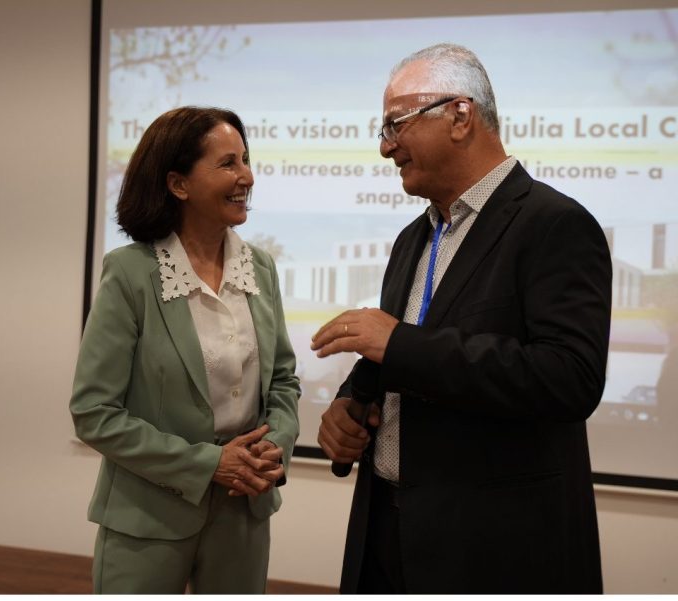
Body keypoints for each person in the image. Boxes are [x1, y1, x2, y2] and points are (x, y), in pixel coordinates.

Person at [311, 44, 611, 594]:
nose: (385, 147)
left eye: (395, 124)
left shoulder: (554, 224)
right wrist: (352, 401)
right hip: (387, 535)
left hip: (492, 550)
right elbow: (406, 351)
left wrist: (397, 345)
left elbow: (570, 378)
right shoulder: (413, 238)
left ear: (459, 115)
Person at [70, 106, 300, 594]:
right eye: (228, 163)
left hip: (244, 506)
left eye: (245, 160)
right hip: (148, 516)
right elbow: (94, 413)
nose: (247, 176)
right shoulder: (130, 274)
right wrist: (209, 464)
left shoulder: (260, 267)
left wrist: (274, 445)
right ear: (178, 184)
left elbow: (282, 380)